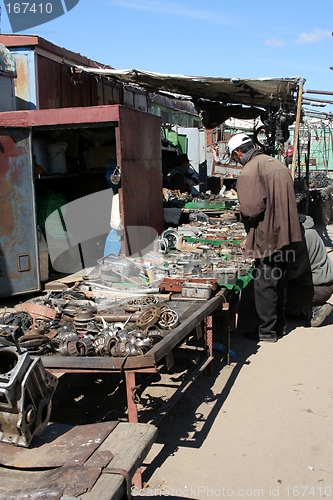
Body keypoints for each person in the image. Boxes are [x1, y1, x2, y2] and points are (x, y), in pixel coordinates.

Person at [227, 133, 302, 342]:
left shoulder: (251, 169)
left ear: (237, 153)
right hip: (285, 233)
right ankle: (278, 327)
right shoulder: (276, 163)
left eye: (234, 157)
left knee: (265, 283)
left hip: (268, 235)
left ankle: (266, 331)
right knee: (279, 280)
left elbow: (251, 210)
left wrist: (241, 216)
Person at [287, 214, 333, 327]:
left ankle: (314, 307)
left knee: (274, 291)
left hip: (317, 287)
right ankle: (301, 309)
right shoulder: (307, 230)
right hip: (321, 283)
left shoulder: (302, 236)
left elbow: (295, 271)